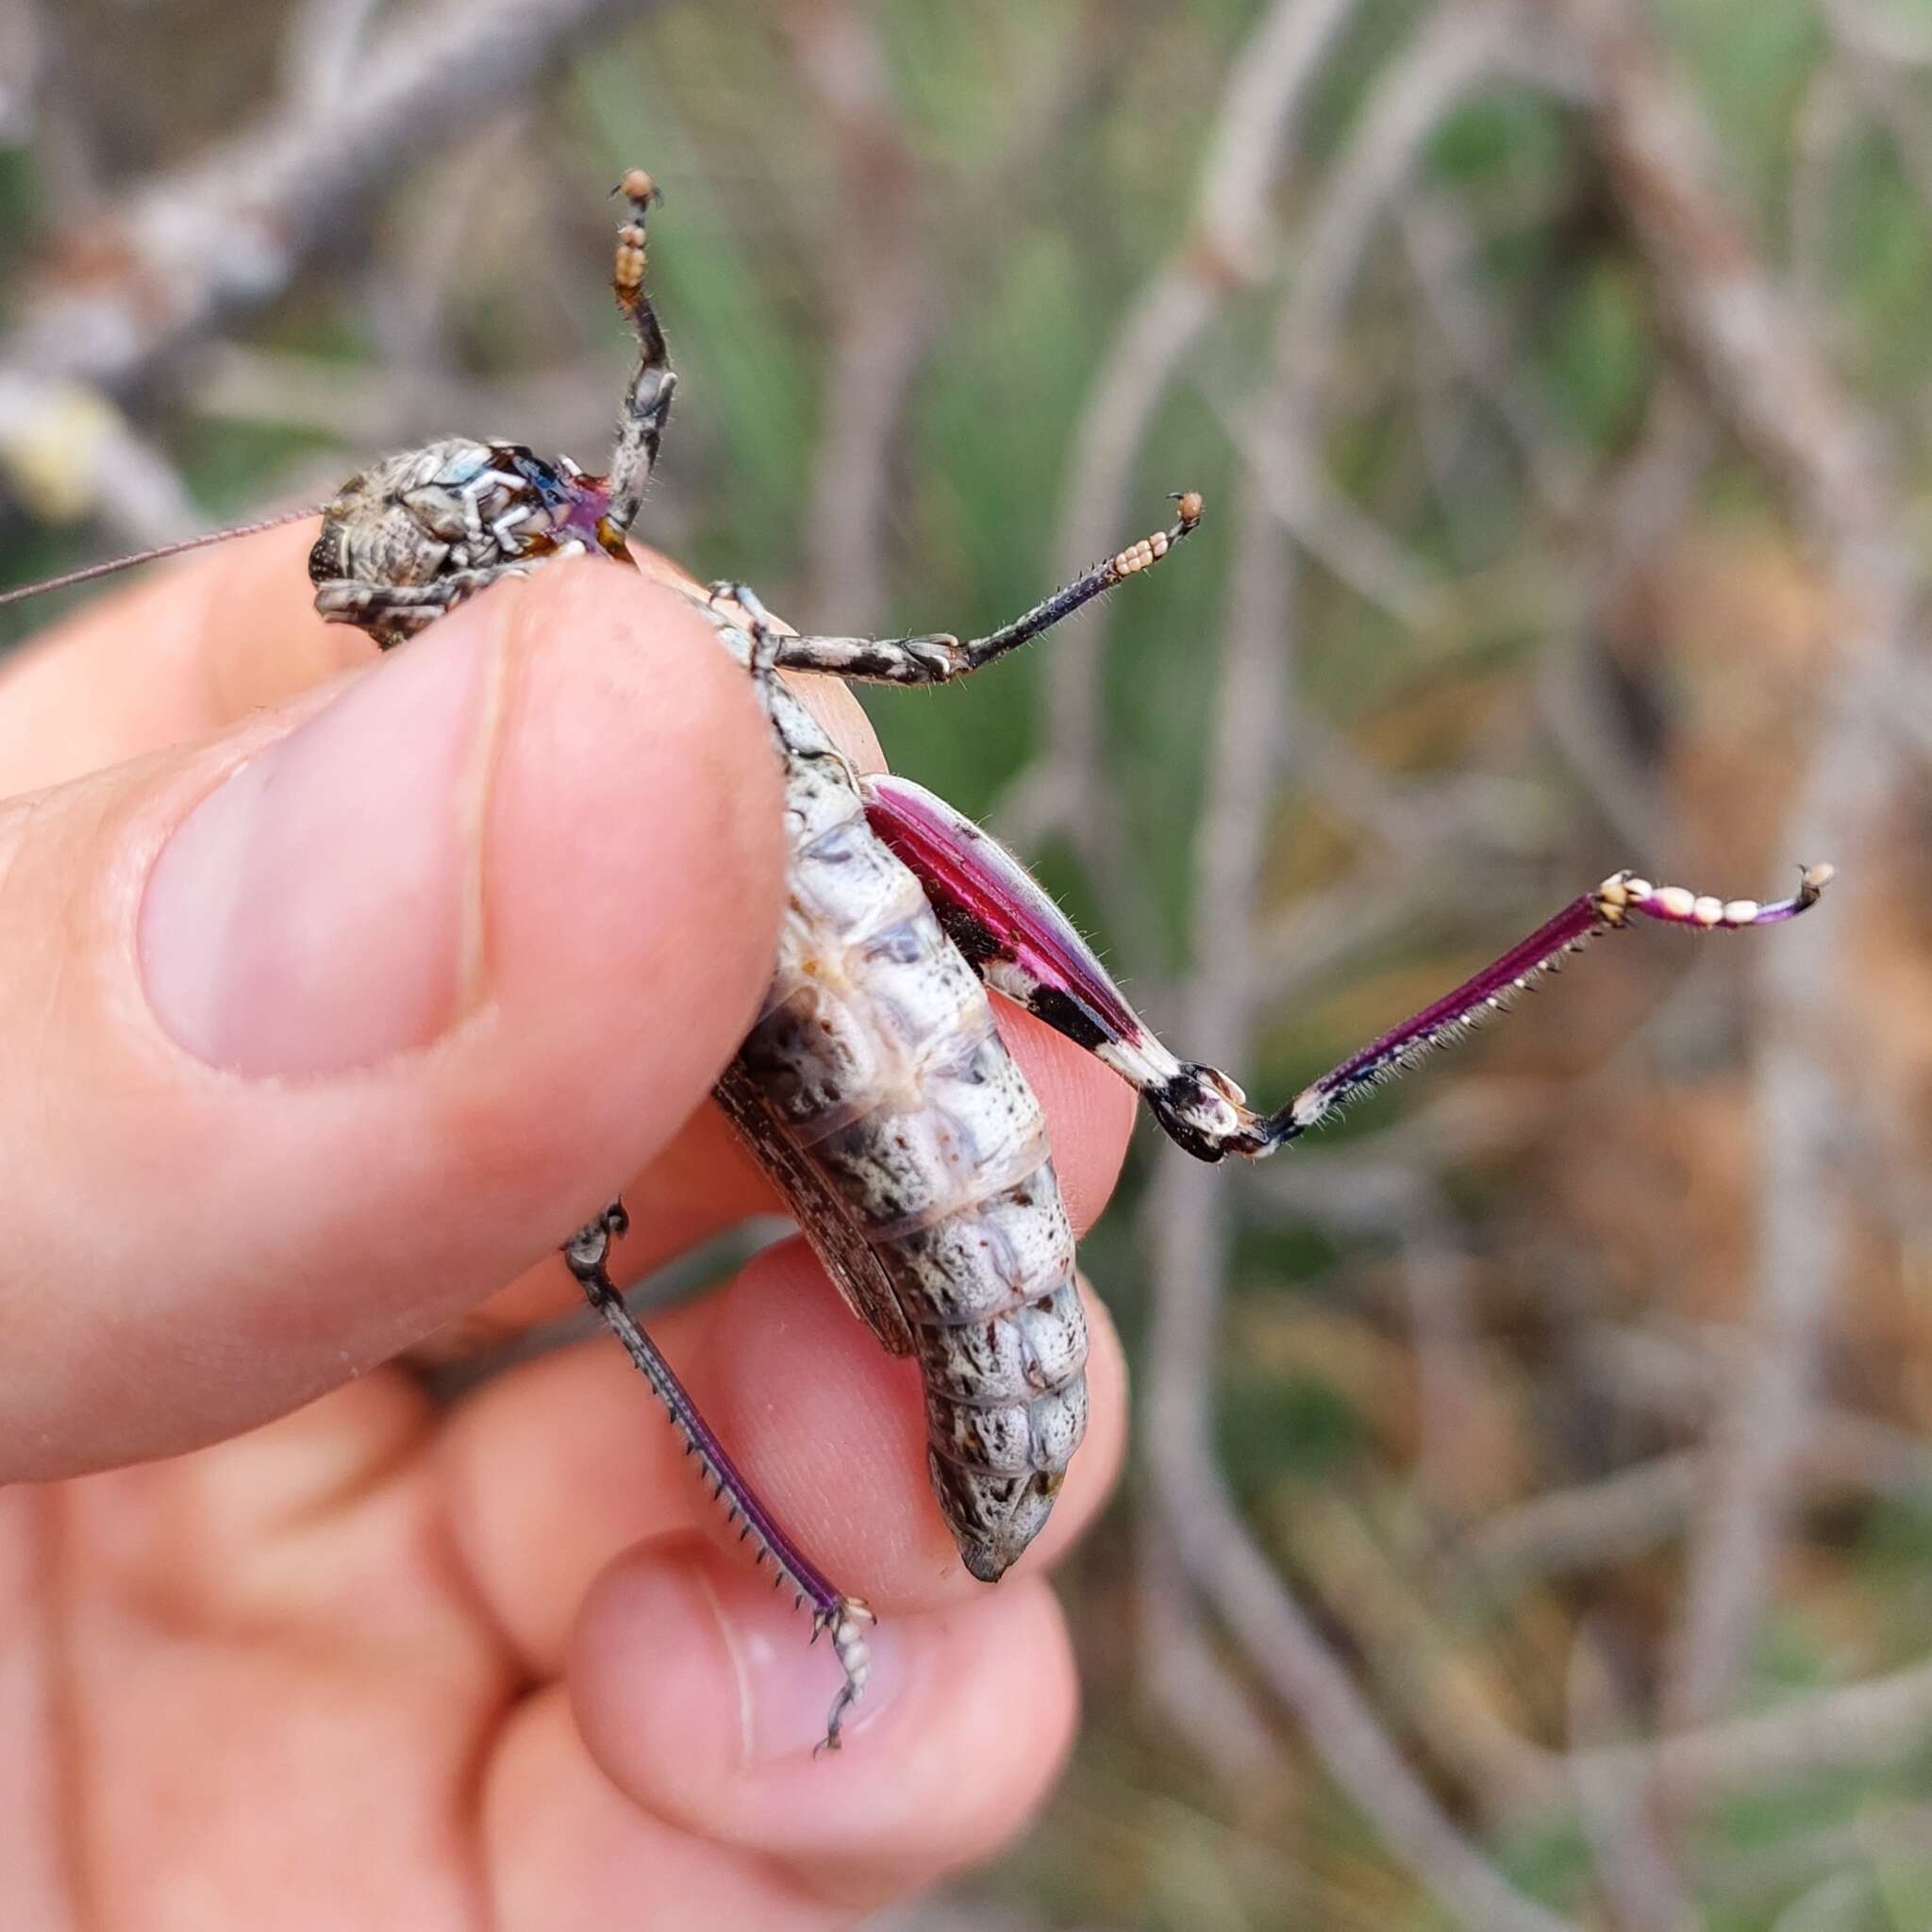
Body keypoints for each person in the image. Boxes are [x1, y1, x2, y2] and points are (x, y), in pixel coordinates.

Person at [0, 525, 1133, 1925]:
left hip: (869, 1014)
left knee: (1136, 1098)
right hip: (843, 1042)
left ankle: (828, 1606)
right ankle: (824, 1608)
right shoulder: (508, 747)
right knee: (599, 1253)